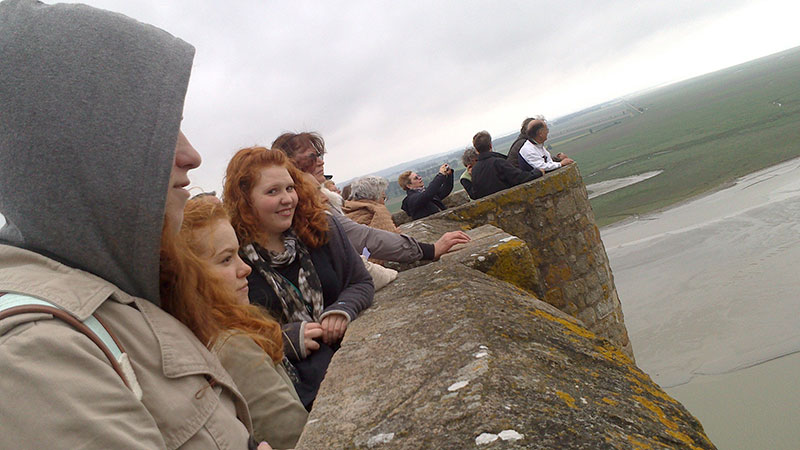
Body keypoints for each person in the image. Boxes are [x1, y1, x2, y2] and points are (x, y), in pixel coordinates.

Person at [0, 1, 262, 447]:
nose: (191, 156)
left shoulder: (113, 299)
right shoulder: (34, 354)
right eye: (158, 135)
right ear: (89, 155)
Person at [223, 146, 374, 410]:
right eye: (272, 191)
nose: (287, 199)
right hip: (299, 398)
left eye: (289, 188)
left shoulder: (321, 229)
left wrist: (341, 309)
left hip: (357, 364)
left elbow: (359, 281)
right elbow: (228, 334)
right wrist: (283, 339)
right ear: (245, 200)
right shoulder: (233, 260)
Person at [179, 199, 308, 448]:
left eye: (238, 254)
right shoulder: (232, 345)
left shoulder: (195, 335)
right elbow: (295, 436)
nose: (245, 268)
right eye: (226, 260)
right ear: (188, 278)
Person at [272, 132, 471, 262]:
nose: (321, 162)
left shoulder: (311, 203)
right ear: (291, 165)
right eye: (312, 157)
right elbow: (364, 238)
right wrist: (430, 250)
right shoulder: (308, 207)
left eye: (320, 155)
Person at [471, 130, 543, 199]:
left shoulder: (474, 170)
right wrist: (537, 172)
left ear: (476, 150)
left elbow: (476, 193)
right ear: (490, 145)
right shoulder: (498, 162)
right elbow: (518, 177)